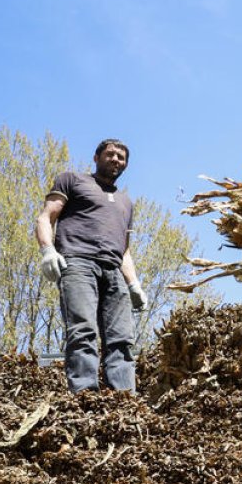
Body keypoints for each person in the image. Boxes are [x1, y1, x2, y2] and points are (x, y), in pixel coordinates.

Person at [34, 138, 147, 393]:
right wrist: (48, 250)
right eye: (110, 154)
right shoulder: (72, 180)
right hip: (78, 262)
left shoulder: (126, 202)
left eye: (122, 157)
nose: (116, 159)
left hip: (114, 270)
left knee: (121, 339)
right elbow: (45, 217)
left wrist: (134, 284)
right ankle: (86, 396)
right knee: (83, 330)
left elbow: (124, 248)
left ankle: (124, 400)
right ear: (96, 158)